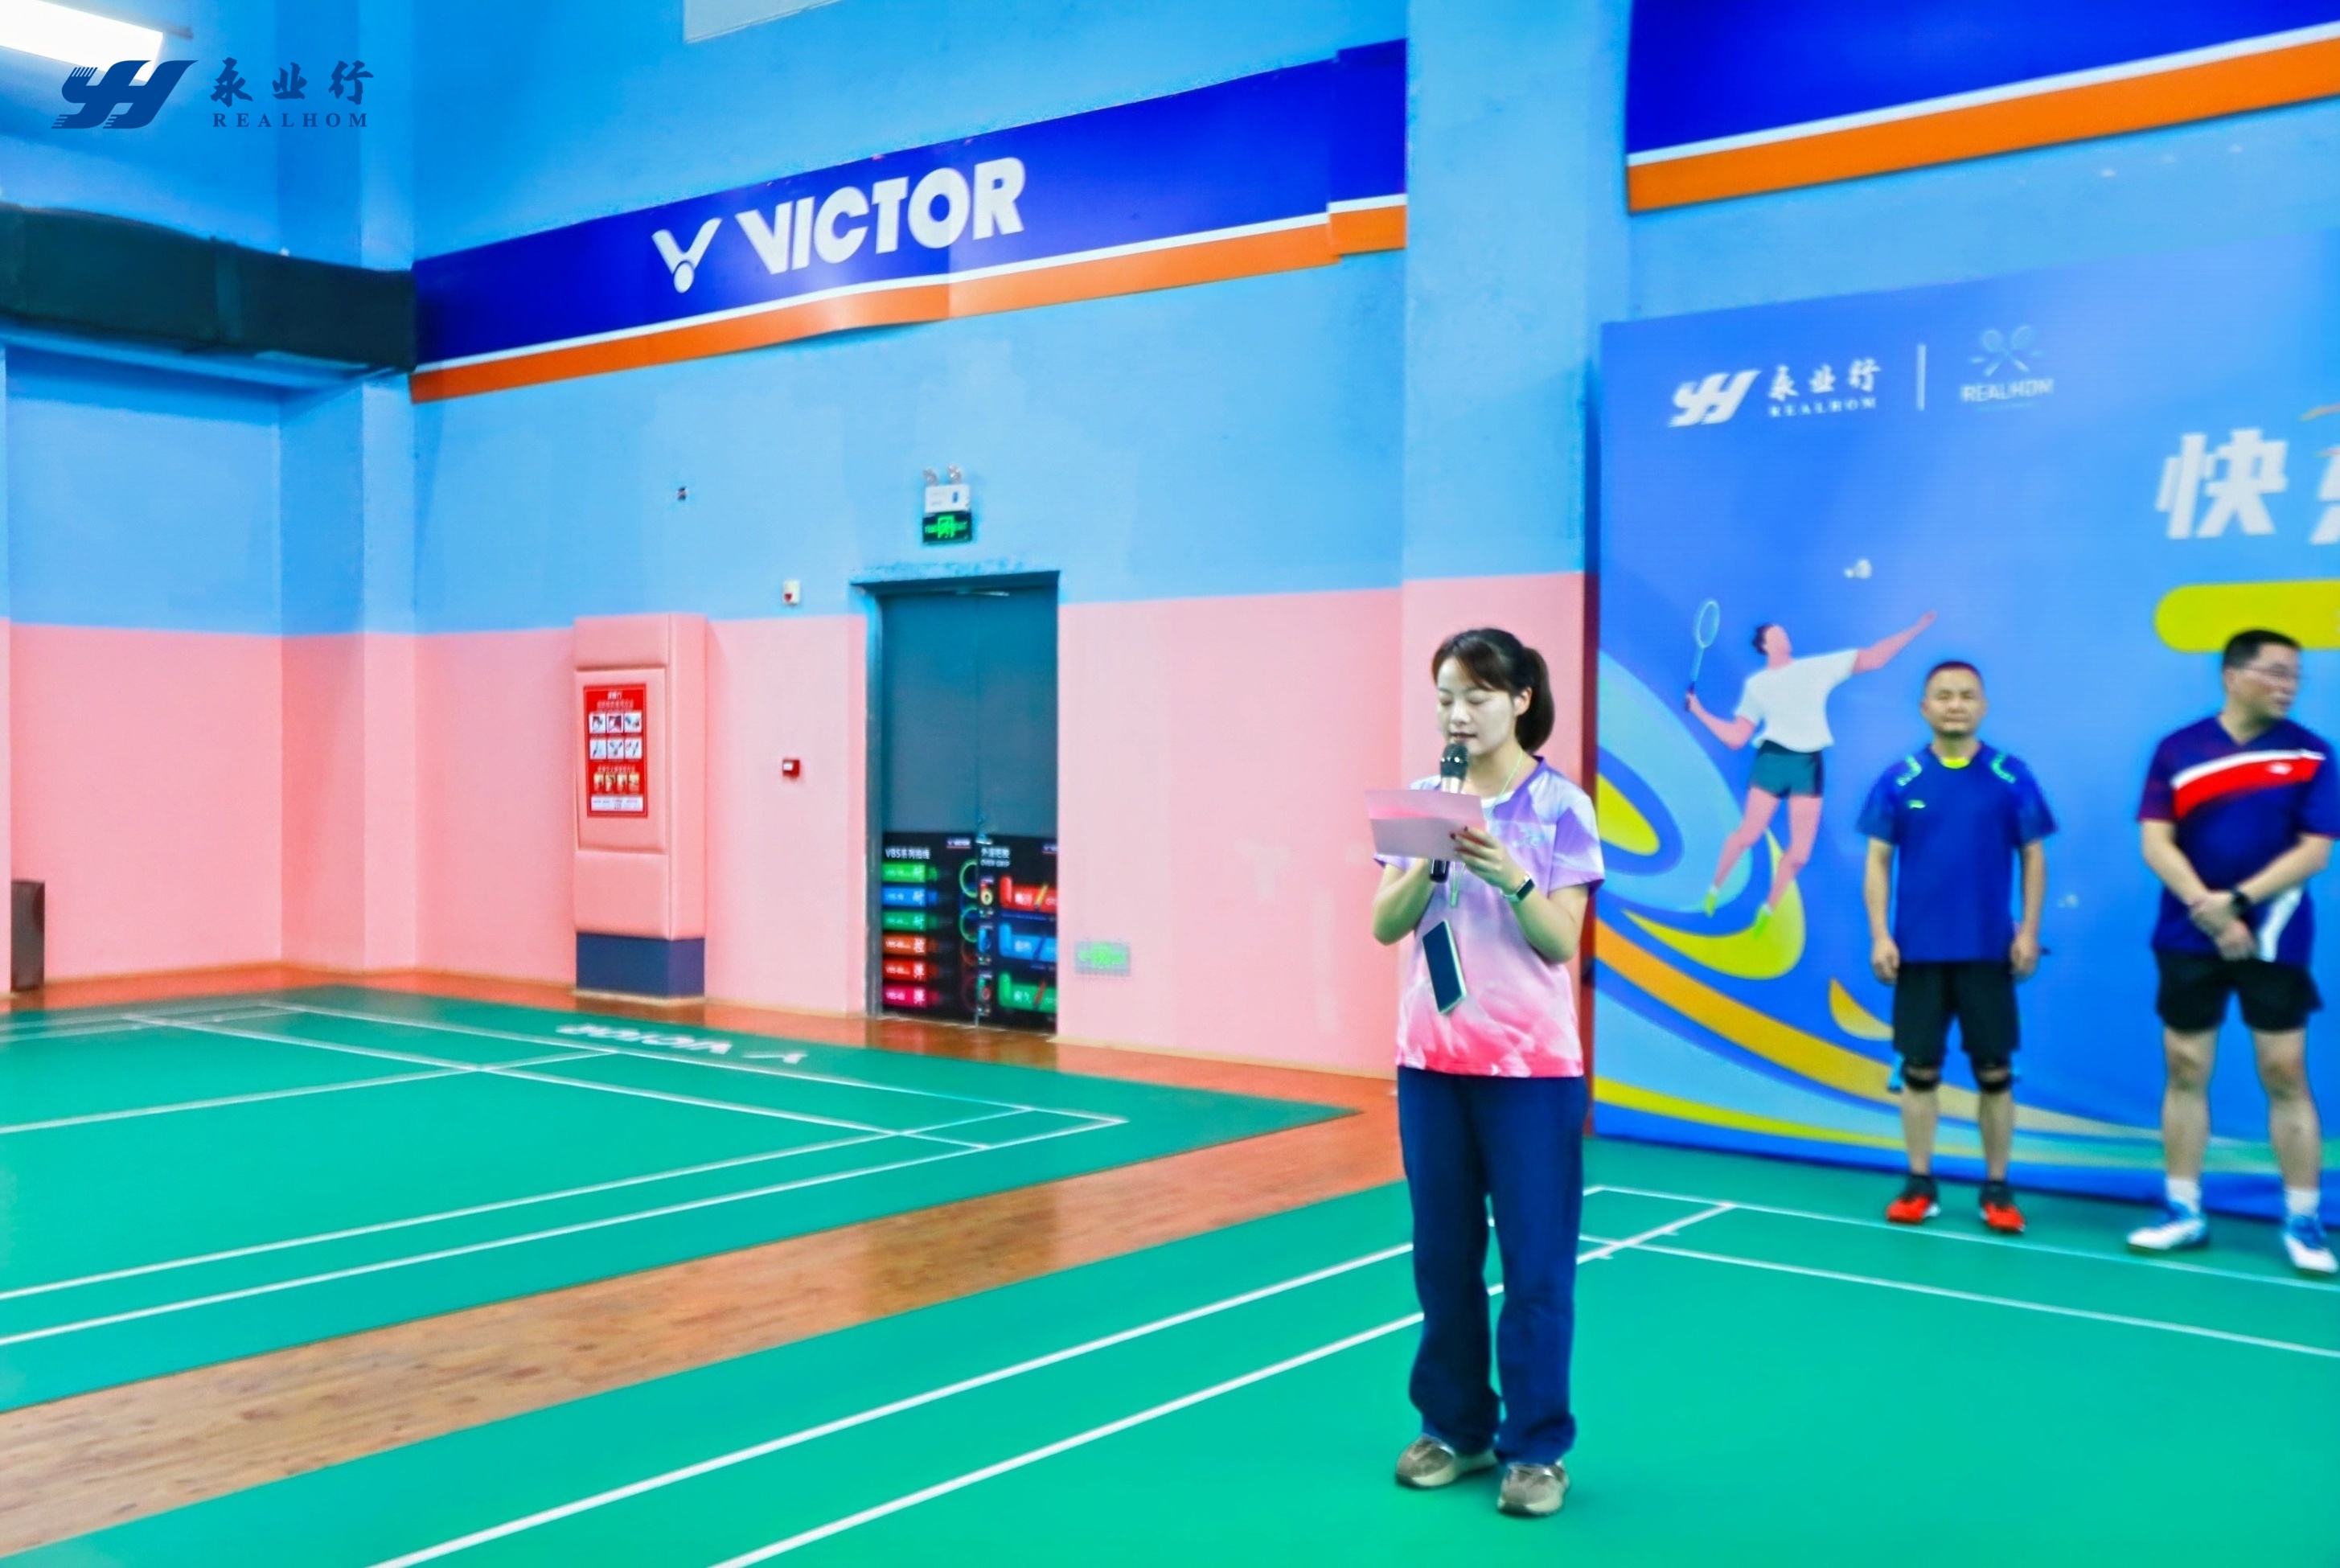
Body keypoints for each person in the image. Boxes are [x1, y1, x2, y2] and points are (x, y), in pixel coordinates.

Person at [1371, 628, 1603, 1520]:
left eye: (1475, 696)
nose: (1457, 714)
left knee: (1536, 1265)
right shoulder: (1420, 800)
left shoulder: (1563, 807)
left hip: (1531, 1073)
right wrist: (1424, 868)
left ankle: (1537, 1450)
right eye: (1445, 698)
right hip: (1430, 1063)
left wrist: (1513, 877)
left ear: (1520, 700)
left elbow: (1560, 942)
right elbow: (1385, 925)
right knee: (1443, 1258)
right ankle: (1456, 1428)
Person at [2129, 629, 2336, 1275]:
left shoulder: (2311, 753)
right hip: (2189, 933)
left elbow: (2315, 850)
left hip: (2275, 935)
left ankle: (2303, 1219)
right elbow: (2156, 841)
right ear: (2232, 675)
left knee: (2284, 1071)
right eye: (2275, 672)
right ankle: (2182, 1209)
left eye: (2294, 675)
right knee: (2185, 1066)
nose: (2288, 685)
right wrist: (2209, 910)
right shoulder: (2178, 750)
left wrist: (2239, 902)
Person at [1858, 661, 2054, 1234]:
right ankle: (1919, 1183)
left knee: (1995, 1072)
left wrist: (2028, 931)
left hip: (1989, 952)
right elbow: (1878, 861)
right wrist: (1880, 935)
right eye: (1943, 696)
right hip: (1918, 953)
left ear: (1982, 706)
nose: (1956, 705)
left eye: (1967, 695)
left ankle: (1997, 1189)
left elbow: (2034, 856)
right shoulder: (1899, 779)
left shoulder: (2011, 776)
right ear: (1925, 708)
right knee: (1919, 1071)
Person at [1687, 612, 1935, 927]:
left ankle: (1766, 912)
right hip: (1773, 760)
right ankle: (1713, 890)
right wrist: (1698, 711)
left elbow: (1873, 658)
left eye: (1784, 632)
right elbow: (1737, 738)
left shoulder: (1816, 669)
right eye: (1777, 634)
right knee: (1748, 834)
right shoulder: (1757, 685)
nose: (1784, 636)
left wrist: (1915, 629)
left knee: (1800, 854)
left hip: (1807, 764)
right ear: (1765, 645)